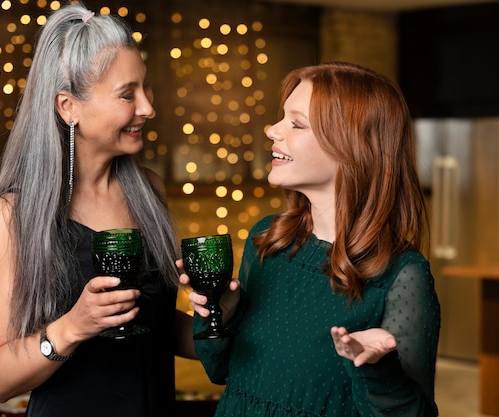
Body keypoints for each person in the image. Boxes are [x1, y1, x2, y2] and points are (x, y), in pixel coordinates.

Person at [0, 3, 194, 416]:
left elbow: (160, 327)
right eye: (128, 94)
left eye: (145, 89)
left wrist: (223, 321)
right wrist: (74, 326)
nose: (147, 108)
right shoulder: (9, 217)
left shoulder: (150, 191)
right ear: (68, 107)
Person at [180, 62, 441, 416]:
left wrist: (377, 368)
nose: (273, 130)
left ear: (353, 147)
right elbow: (222, 371)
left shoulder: (402, 275)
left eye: (297, 124)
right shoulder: (267, 239)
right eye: (282, 118)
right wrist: (218, 314)